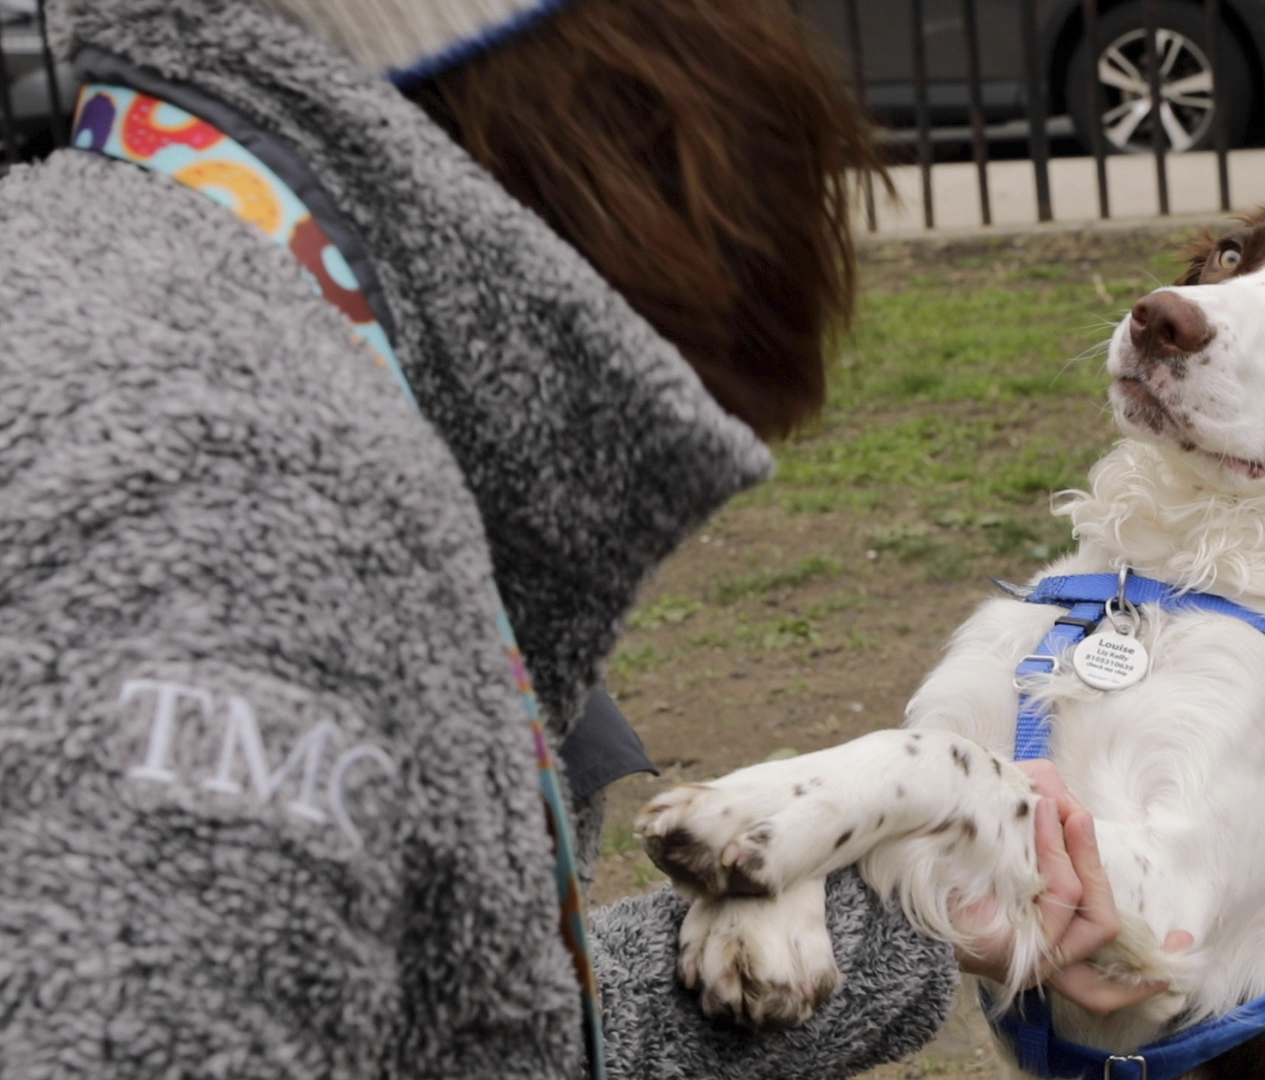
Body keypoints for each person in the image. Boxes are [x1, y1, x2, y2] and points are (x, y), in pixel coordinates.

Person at [0, 1, 1168, 1077]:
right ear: (642, 100)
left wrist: (868, 934)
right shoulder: (230, 491)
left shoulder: (165, 306)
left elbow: (398, 1025)